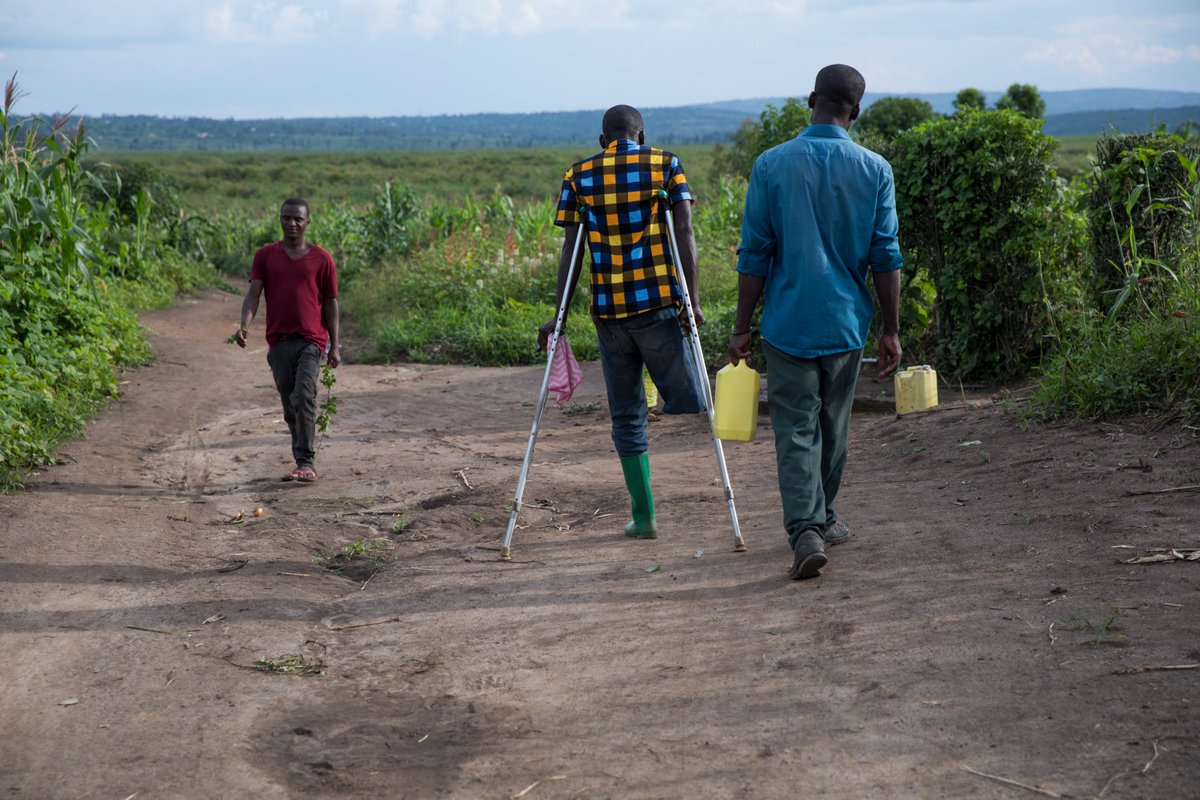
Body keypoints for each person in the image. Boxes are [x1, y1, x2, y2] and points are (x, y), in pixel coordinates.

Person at [728, 64, 903, 579]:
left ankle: (807, 526)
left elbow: (754, 254)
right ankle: (821, 518)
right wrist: (890, 330)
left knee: (796, 428)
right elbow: (885, 256)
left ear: (811, 100)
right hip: (845, 324)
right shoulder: (876, 169)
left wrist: (742, 326)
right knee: (834, 425)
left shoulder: (771, 165)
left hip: (787, 324)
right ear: (857, 110)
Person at [539, 105, 706, 540]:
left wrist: (557, 316)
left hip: (610, 314)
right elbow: (684, 231)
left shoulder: (579, 175)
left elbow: (569, 250)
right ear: (642, 135)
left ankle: (645, 515)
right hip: (659, 308)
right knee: (692, 399)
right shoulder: (664, 163)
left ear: (603, 139)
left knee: (627, 415)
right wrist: (694, 301)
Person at [233, 198, 340, 483]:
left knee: (304, 396)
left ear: (308, 222)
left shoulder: (322, 259)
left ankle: (306, 462)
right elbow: (253, 295)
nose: (292, 223)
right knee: (290, 403)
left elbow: (330, 304)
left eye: (298, 219)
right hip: (279, 342)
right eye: (287, 218)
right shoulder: (265, 256)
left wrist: (335, 346)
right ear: (280, 219)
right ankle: (300, 457)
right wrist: (243, 326)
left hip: (312, 341)